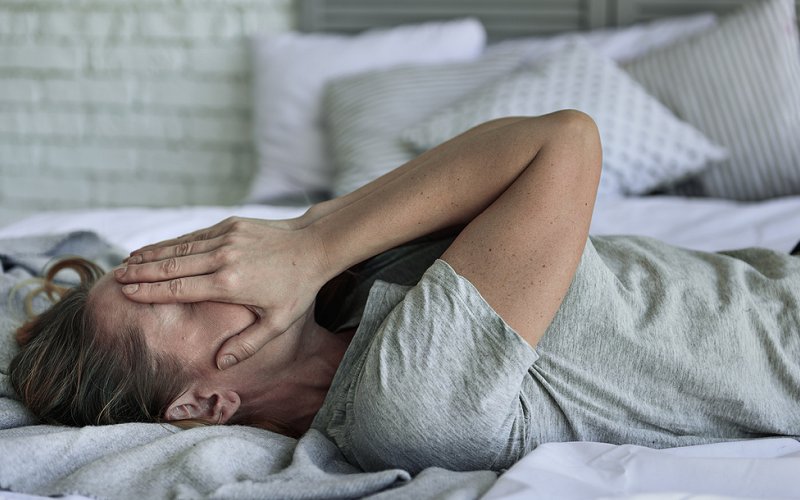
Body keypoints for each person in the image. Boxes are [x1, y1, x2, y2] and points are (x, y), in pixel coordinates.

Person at [10, 111, 800, 473]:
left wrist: (308, 247)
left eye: (162, 265)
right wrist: (309, 245)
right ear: (204, 404)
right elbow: (564, 142)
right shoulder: (405, 399)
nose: (200, 263)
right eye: (171, 296)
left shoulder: (344, 296)